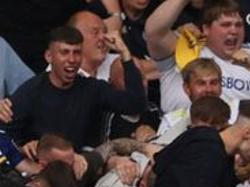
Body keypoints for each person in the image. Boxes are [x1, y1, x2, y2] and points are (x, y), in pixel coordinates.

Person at [4, 25, 145, 149]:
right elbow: (4, 134)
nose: (72, 59)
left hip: (84, 168)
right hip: (41, 170)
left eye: (76, 52)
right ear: (49, 56)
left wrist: (125, 54)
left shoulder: (91, 88)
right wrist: (23, 149)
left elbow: (135, 104)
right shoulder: (31, 91)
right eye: (64, 52)